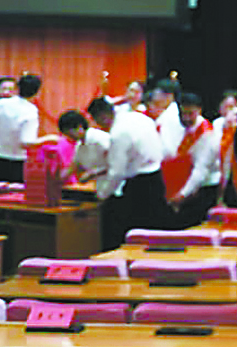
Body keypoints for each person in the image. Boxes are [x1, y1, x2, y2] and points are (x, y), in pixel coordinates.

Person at [88, 95, 165, 249]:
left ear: (102, 116)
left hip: (139, 186)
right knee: (154, 232)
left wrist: (102, 194)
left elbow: (117, 172)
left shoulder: (118, 133)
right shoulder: (138, 117)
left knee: (135, 236)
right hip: (157, 177)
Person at [163, 92, 222, 228]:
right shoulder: (184, 127)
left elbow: (201, 169)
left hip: (204, 187)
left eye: (190, 113)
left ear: (199, 110)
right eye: (183, 113)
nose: (186, 118)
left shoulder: (206, 134)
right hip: (187, 184)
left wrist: (183, 194)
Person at [0, 73, 42, 184]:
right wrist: (48, 139)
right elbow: (26, 142)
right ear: (38, 92)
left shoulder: (0, 104)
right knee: (13, 194)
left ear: (17, 88)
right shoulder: (30, 111)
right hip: (16, 162)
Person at [57, 109, 111, 185]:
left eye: (69, 133)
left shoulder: (99, 138)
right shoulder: (79, 145)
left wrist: (94, 172)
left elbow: (118, 162)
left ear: (79, 127)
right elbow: (73, 166)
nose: (69, 137)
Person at [144, 79, 184, 158]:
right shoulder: (164, 113)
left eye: (159, 92)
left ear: (170, 96)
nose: (155, 93)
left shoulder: (171, 118)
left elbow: (169, 150)